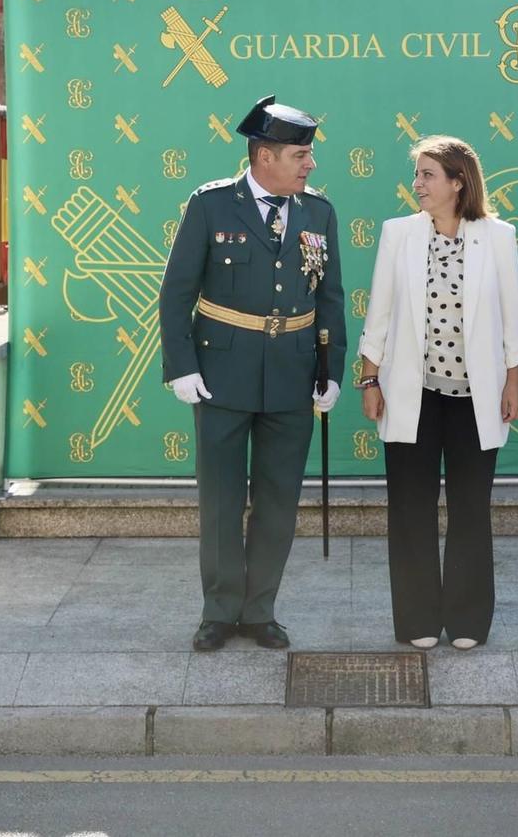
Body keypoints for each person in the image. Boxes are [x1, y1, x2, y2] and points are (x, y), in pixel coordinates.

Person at [159, 95, 345, 652]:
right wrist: (181, 366)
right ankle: (219, 611)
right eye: (299, 154)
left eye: (309, 154)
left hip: (291, 375)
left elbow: (329, 297)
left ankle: (260, 610)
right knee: (220, 498)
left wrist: (330, 369)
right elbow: (176, 293)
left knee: (279, 497)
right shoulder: (213, 205)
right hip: (221, 372)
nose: (310, 164)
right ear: (264, 157)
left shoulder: (318, 211)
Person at [358, 136, 518, 651]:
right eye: (418, 175)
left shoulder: (497, 236)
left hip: (476, 399)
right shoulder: (398, 235)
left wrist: (512, 381)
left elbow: (511, 319)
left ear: (458, 182)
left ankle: (469, 621)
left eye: (429, 174)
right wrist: (370, 379)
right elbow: (379, 314)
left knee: (471, 507)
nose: (418, 185)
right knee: (410, 507)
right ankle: (418, 621)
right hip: (413, 395)